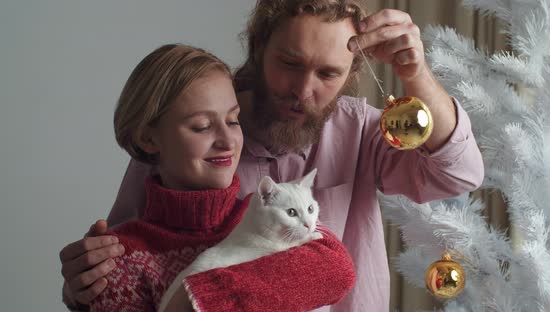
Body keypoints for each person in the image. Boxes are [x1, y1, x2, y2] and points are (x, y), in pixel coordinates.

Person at [60, 1, 484, 311]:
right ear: (260, 47)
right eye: (289, 63)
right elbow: (125, 261)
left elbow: (458, 176)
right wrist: (87, 285)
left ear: (351, 74)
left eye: (327, 74)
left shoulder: (361, 129)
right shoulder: (183, 137)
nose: (302, 91)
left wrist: (415, 75)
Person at [61, 43, 355, 312]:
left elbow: (338, 269)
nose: (228, 140)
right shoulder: (120, 262)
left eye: (232, 120)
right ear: (148, 139)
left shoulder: (267, 214)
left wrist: (197, 299)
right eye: (201, 126)